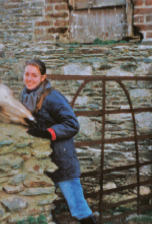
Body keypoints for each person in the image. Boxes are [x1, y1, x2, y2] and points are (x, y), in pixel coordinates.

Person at [21, 59, 96, 224]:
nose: (30, 78)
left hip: (62, 162)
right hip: (40, 163)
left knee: (79, 209)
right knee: (41, 206)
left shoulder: (52, 97)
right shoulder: (25, 95)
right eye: (27, 74)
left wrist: (47, 133)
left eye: (34, 75)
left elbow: (72, 124)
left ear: (43, 77)